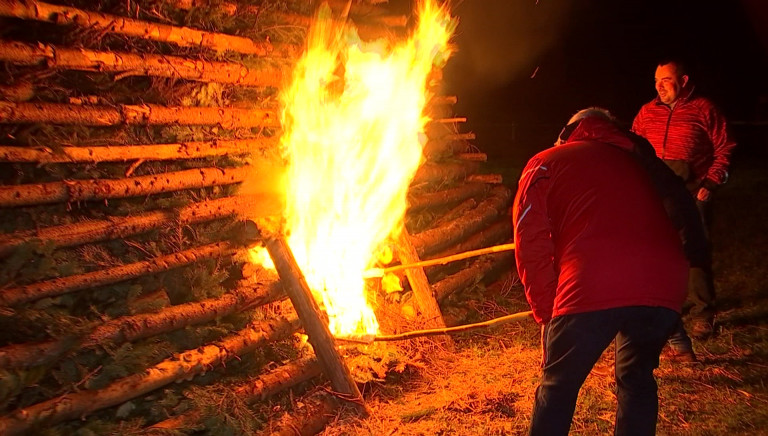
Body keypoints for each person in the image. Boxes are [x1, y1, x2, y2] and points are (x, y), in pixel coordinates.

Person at [513, 108, 696, 435]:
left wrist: (546, 312)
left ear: (568, 131)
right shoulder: (640, 162)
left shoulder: (544, 161)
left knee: (558, 385)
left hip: (592, 280)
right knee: (637, 379)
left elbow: (531, 241)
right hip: (666, 280)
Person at [632, 58, 737, 341]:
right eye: (656, 80)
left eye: (666, 79)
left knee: (695, 250)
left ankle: (704, 313)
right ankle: (666, 309)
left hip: (693, 191)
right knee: (660, 251)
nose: (659, 86)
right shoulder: (647, 112)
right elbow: (634, 146)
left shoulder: (704, 109)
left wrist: (711, 183)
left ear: (684, 80)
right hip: (659, 194)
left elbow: (725, 146)